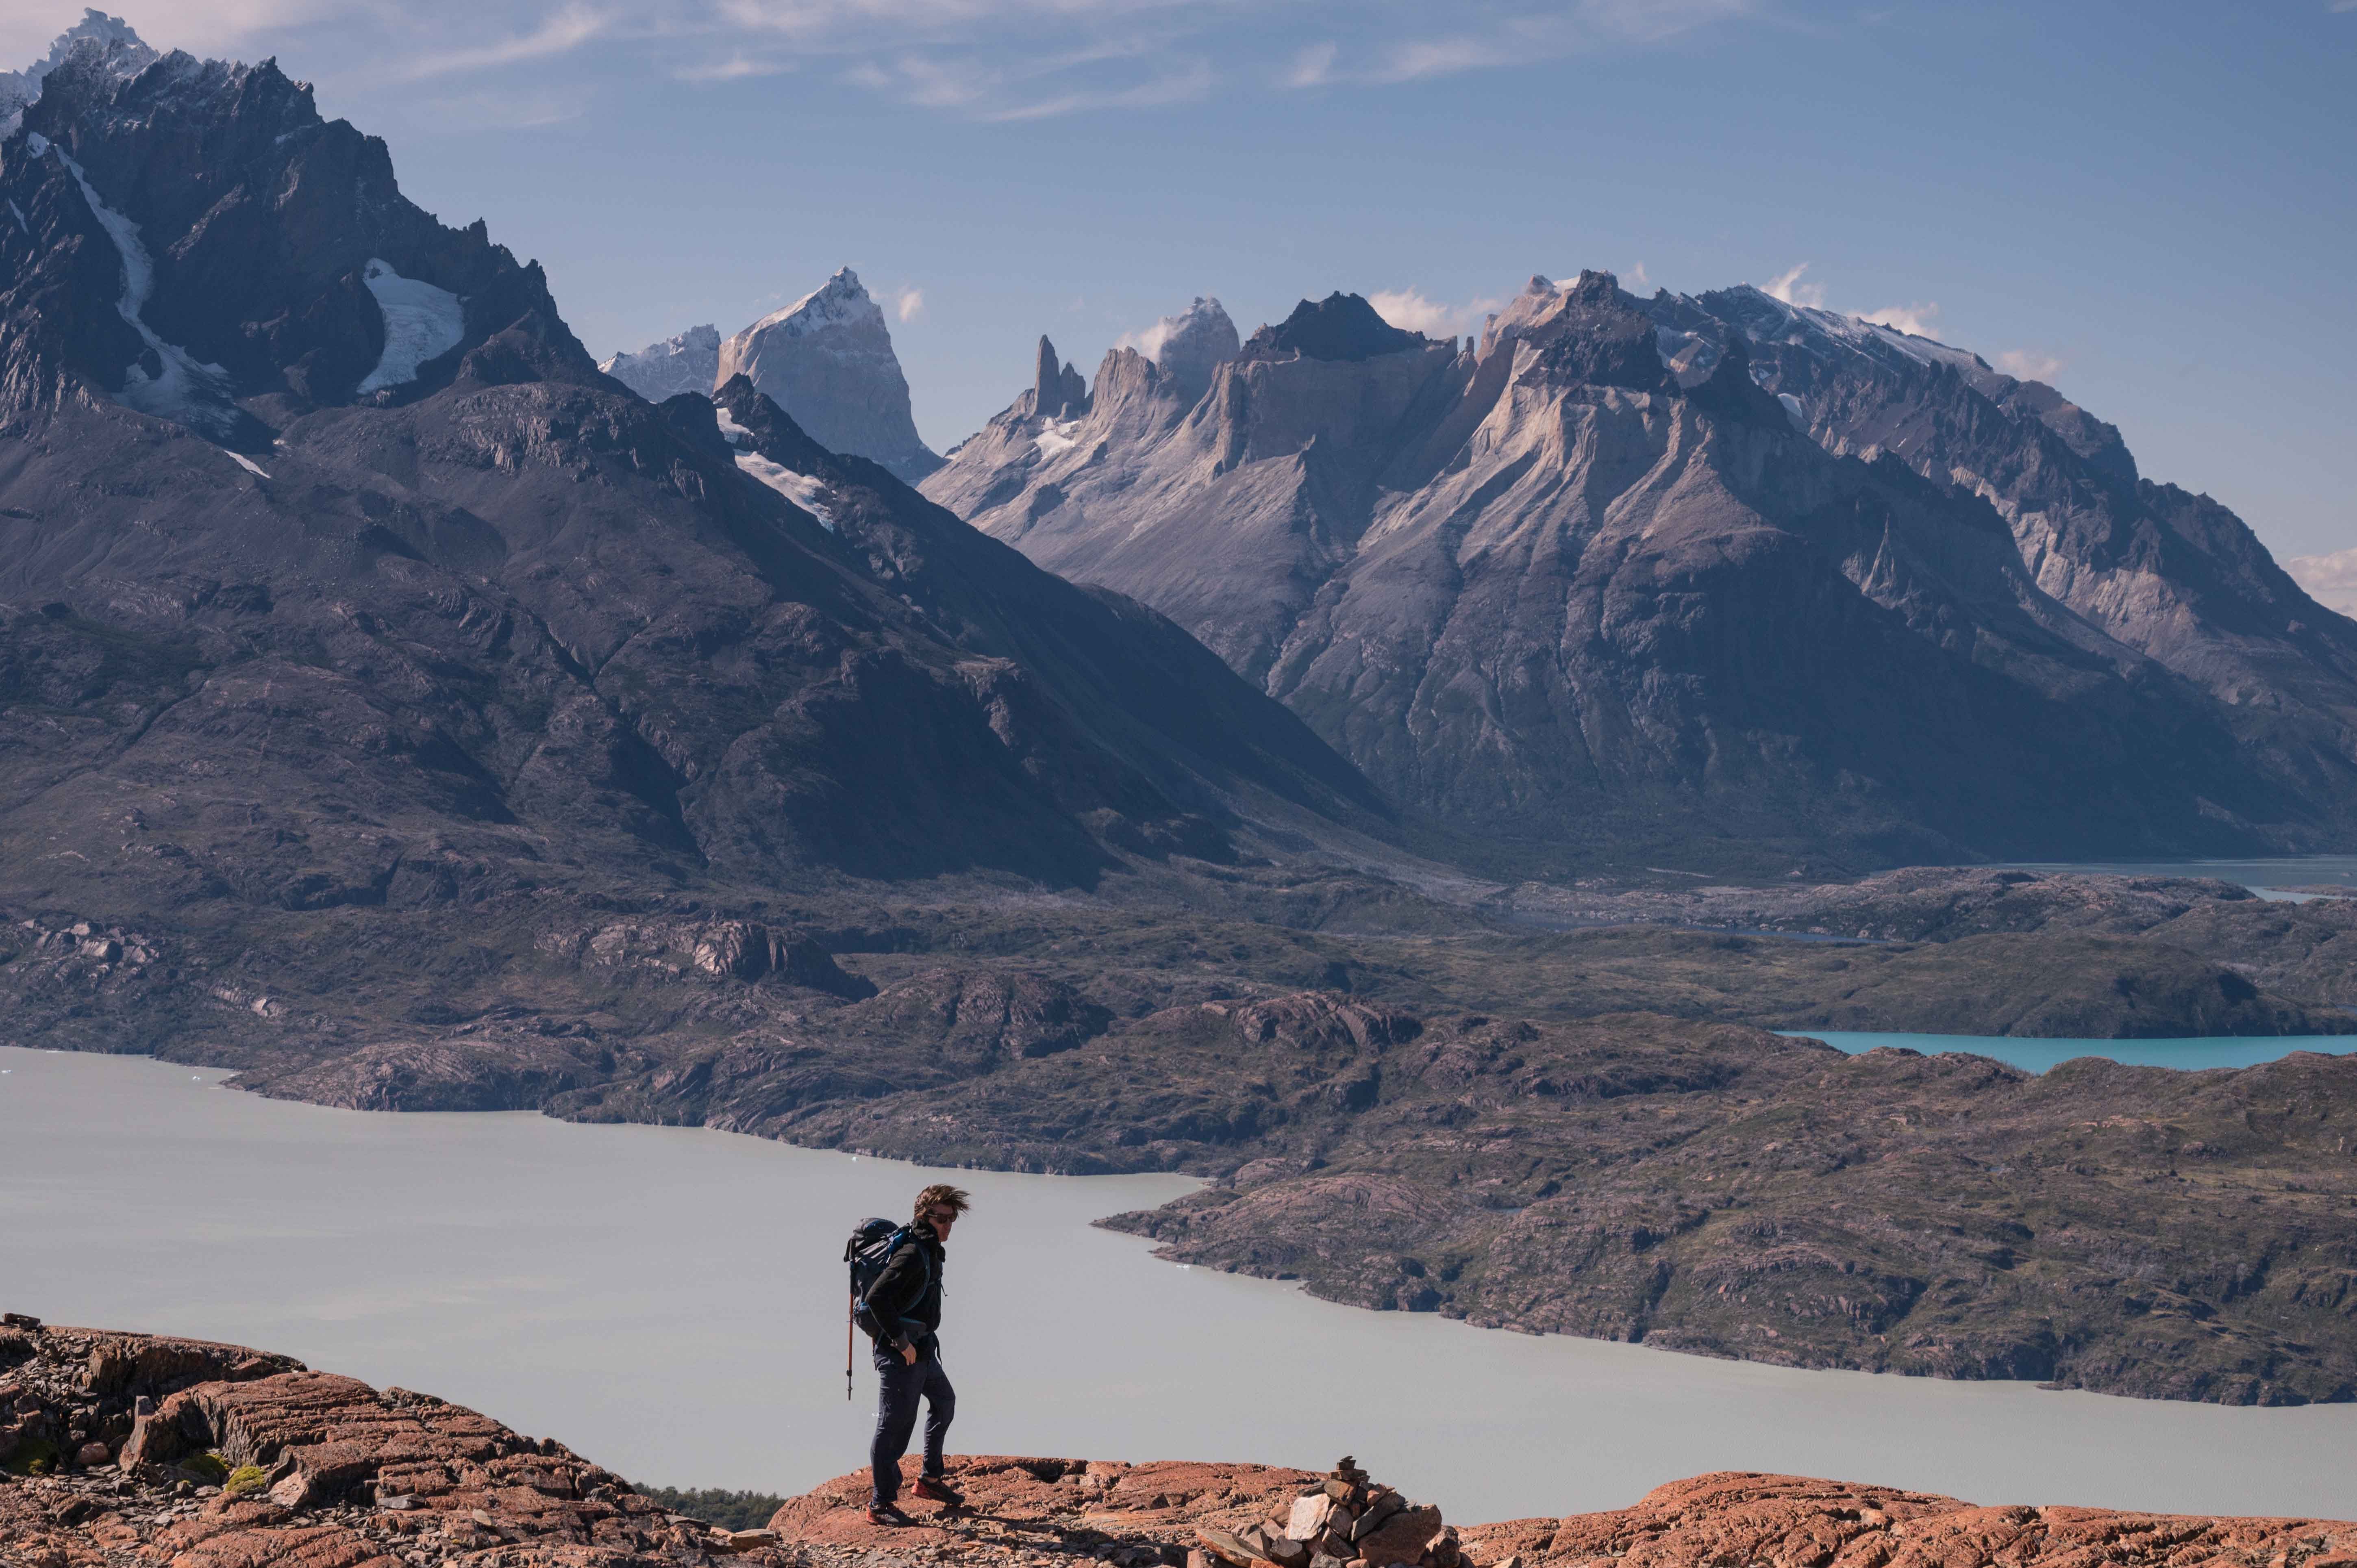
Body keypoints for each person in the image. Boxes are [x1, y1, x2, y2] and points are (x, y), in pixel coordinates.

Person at [863, 1183, 970, 1525]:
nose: (948, 1225)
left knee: (945, 1402)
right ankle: (880, 1505)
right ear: (925, 1217)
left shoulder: (930, 1248)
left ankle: (929, 1480)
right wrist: (900, 1342)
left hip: (922, 1348)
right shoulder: (912, 1252)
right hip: (901, 1353)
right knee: (893, 1426)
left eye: (952, 1218)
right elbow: (877, 1298)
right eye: (942, 1218)